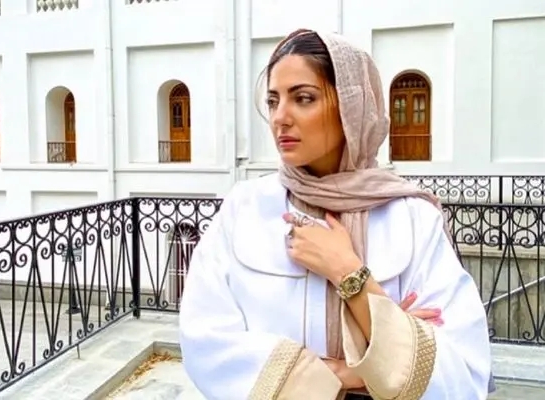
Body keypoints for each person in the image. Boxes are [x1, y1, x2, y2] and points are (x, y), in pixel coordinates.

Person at [179, 29, 492, 399]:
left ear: (351, 107)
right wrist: (358, 369)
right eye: (274, 101)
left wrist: (348, 272)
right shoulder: (244, 209)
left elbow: (462, 368)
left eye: (303, 98)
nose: (281, 117)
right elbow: (206, 341)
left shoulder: (411, 218)